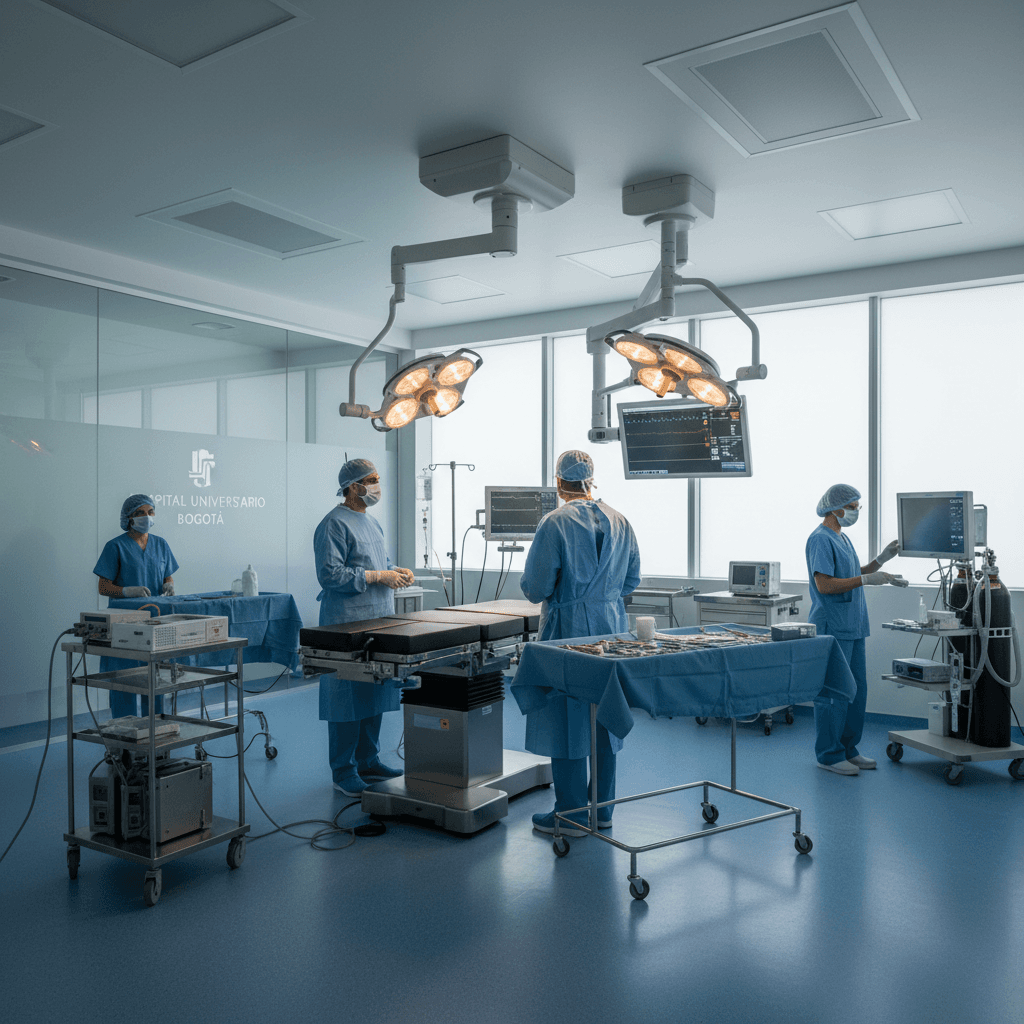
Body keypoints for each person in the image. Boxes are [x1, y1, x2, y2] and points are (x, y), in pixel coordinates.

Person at [518, 450, 642, 837]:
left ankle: (570, 815)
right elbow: (632, 580)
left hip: (568, 633)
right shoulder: (620, 521)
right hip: (612, 631)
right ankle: (602, 810)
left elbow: (536, 587)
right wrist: (602, 597)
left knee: (569, 719)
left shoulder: (555, 522)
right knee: (606, 716)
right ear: (591, 478)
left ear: (559, 482)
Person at [314, 458, 415, 796]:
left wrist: (395, 571)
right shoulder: (333, 524)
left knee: (374, 690)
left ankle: (369, 760)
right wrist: (376, 576)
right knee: (346, 696)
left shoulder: (372, 523)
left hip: (378, 620)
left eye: (377, 479)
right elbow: (330, 575)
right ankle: (343, 771)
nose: (376, 486)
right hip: (345, 622)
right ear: (353, 486)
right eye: (371, 480)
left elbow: (378, 564)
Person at [807, 483, 907, 776]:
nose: (856, 511)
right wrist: (865, 581)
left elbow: (853, 574)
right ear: (834, 508)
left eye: (857, 507)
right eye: (852, 507)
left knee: (855, 691)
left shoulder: (843, 538)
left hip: (853, 624)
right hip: (832, 626)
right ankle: (829, 755)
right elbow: (825, 585)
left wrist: (881, 562)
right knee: (833, 692)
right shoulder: (820, 539)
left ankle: (848, 749)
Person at [93, 494, 178, 718]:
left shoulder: (160, 544)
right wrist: (126, 591)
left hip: (155, 621)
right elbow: (103, 586)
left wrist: (169, 585)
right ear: (128, 517)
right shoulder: (115, 546)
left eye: (150, 512)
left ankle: (157, 729)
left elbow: (167, 576)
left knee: (155, 678)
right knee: (125, 678)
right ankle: (125, 733)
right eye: (140, 513)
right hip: (125, 624)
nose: (146, 517)